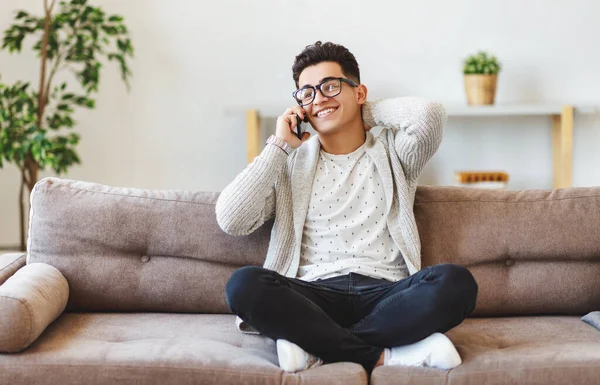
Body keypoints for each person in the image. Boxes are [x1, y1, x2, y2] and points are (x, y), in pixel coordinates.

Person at [215, 41, 478, 374]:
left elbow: (428, 116)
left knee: (456, 283)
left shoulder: (395, 155)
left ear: (359, 92)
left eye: (330, 86)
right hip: (313, 295)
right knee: (243, 285)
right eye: (306, 94)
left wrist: (360, 107)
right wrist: (279, 144)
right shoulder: (289, 164)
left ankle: (316, 347)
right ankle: (386, 355)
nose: (319, 99)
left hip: (386, 293)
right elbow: (231, 219)